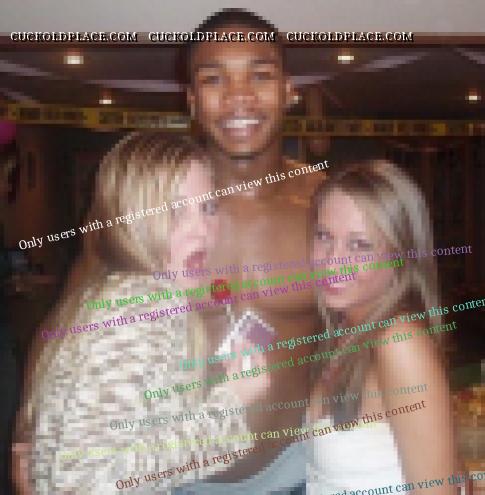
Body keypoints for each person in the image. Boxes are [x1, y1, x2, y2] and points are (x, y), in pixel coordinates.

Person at [12, 133, 266, 494]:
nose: (202, 231)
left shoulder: (115, 291)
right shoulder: (145, 303)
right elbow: (87, 482)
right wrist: (232, 402)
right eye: (174, 211)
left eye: (208, 208)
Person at [182, 8, 325, 491]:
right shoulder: (143, 208)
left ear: (288, 91)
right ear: (192, 100)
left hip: (297, 471)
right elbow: (70, 322)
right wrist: (29, 433)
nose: (238, 96)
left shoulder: (330, 208)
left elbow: (383, 331)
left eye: (260, 75)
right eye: (214, 79)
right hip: (172, 476)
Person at [306, 161, 456, 495]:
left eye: (359, 245)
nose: (333, 261)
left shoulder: (399, 343)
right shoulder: (344, 328)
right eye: (324, 236)